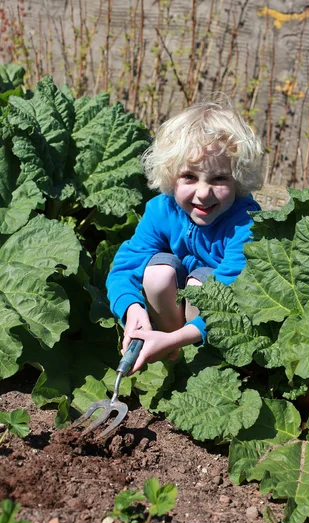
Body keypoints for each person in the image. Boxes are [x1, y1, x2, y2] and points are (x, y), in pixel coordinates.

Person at [106, 99, 263, 374]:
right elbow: (123, 269)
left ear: (238, 180)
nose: (203, 193)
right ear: (170, 176)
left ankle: (206, 364)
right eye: (189, 176)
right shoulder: (161, 210)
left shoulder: (245, 224)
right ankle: (171, 357)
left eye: (219, 179)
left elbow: (232, 296)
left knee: (200, 286)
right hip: (172, 322)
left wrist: (171, 338)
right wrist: (132, 310)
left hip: (225, 327)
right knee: (157, 273)